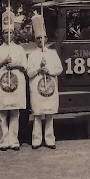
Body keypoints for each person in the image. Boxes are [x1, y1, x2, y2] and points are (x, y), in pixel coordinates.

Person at [26, 12, 63, 149]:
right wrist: (38, 70)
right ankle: (36, 140)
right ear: (35, 40)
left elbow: (59, 69)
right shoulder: (32, 56)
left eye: (42, 38)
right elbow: (29, 72)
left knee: (49, 114)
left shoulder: (52, 54)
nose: (40, 40)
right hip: (36, 86)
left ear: (46, 39)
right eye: (38, 38)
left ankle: (49, 139)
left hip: (50, 87)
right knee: (37, 114)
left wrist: (49, 71)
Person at [0, 7, 27, 151]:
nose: (8, 35)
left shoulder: (19, 49)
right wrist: (3, 62)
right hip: (1, 84)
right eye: (6, 32)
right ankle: (3, 140)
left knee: (14, 112)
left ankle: (14, 140)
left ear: (14, 34)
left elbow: (25, 66)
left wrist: (15, 64)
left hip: (16, 83)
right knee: (2, 113)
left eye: (11, 32)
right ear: (2, 34)